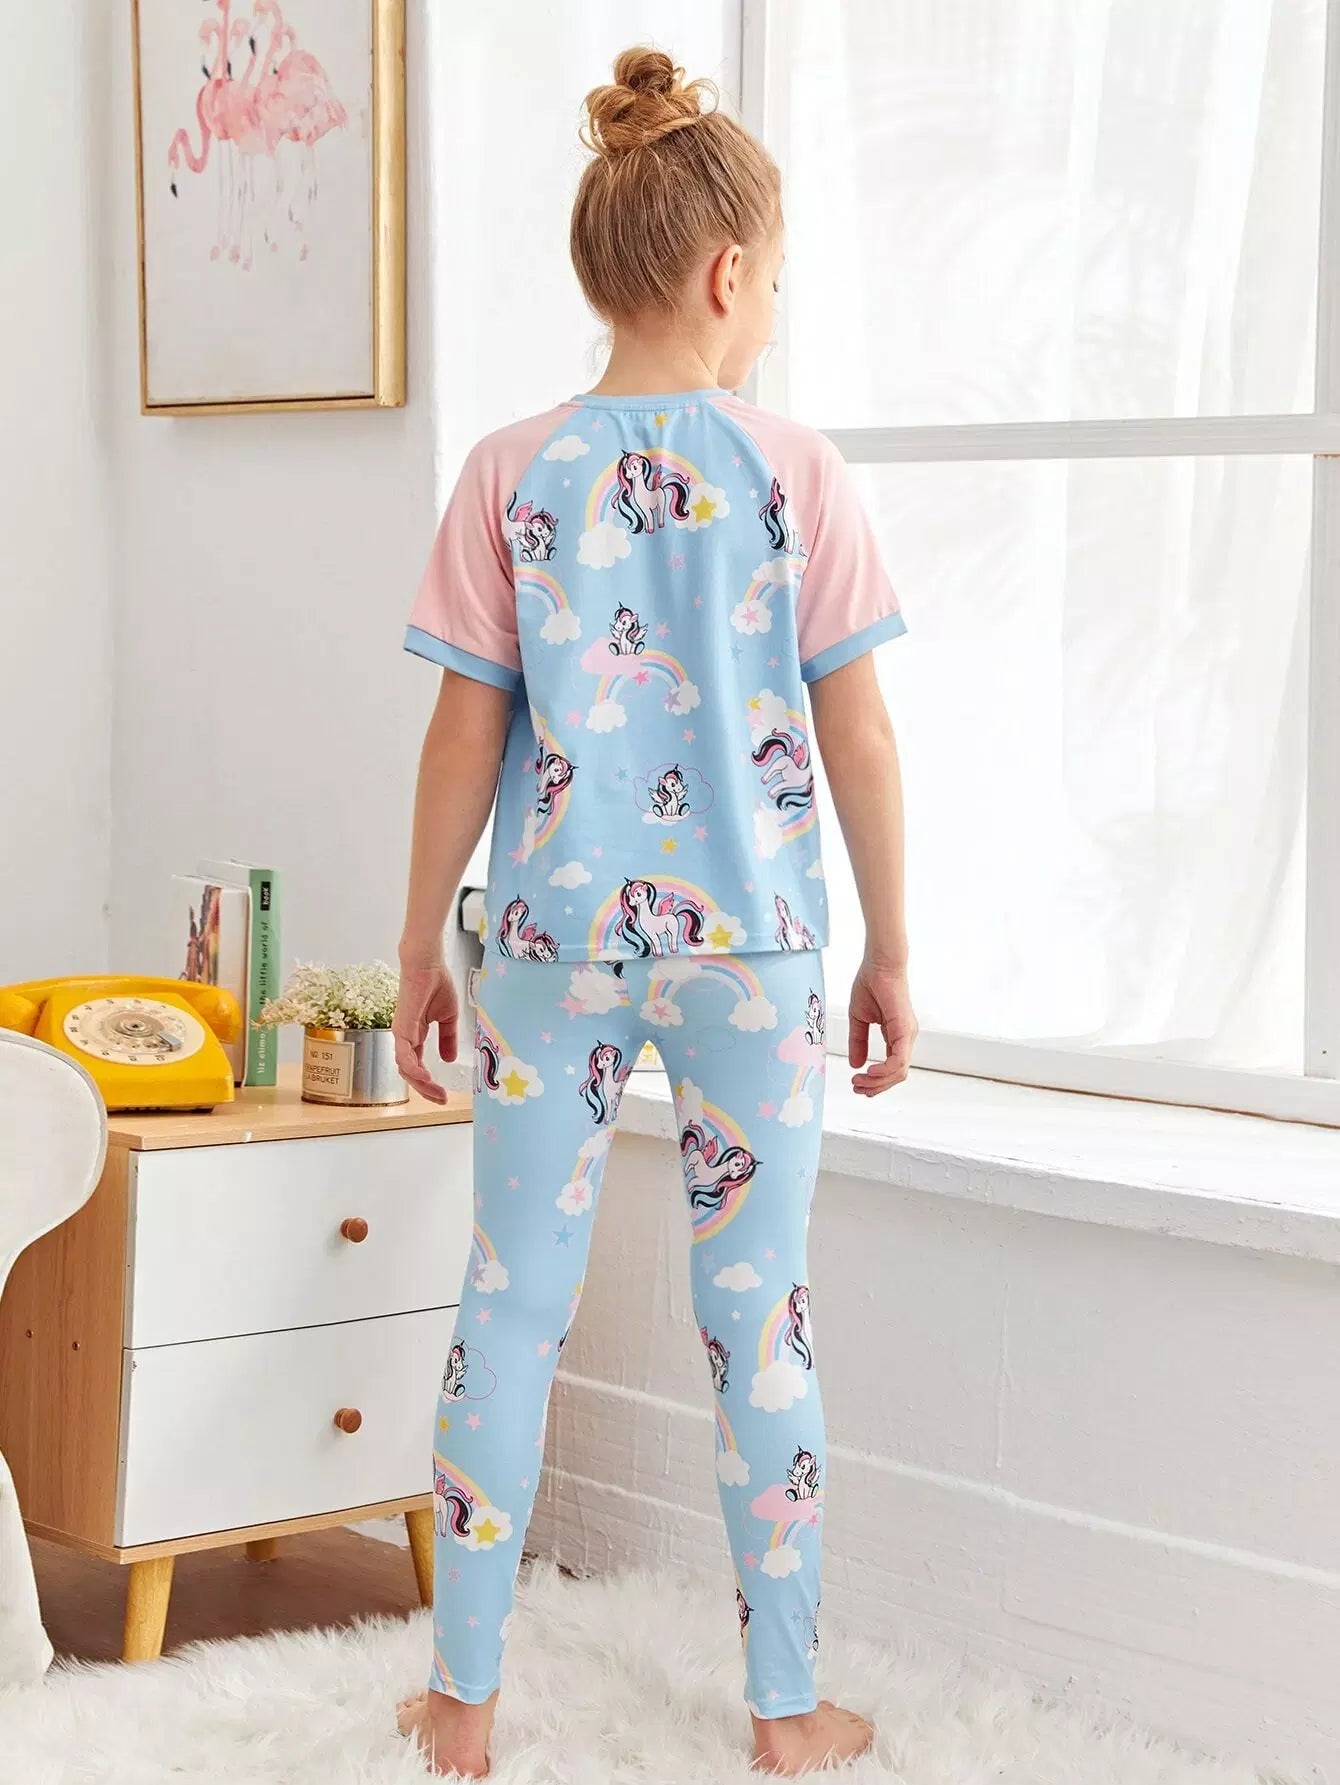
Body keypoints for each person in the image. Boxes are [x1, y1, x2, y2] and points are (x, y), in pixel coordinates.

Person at [392, 46, 916, 1779]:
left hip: (549, 952)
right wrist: (893, 945)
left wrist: (418, 940)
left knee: (509, 1305)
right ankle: (785, 1709)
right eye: (776, 279)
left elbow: (462, 731)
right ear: (726, 273)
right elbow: (859, 732)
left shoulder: (508, 472)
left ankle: (463, 1705)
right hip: (754, 956)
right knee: (760, 1317)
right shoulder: (796, 473)